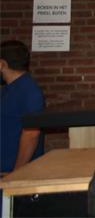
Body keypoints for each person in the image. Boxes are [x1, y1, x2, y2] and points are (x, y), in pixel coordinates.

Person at [1, 40, 45, 175]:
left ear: (2, 64)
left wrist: (17, 173)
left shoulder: (29, 90)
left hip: (14, 174)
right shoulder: (8, 89)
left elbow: (31, 134)